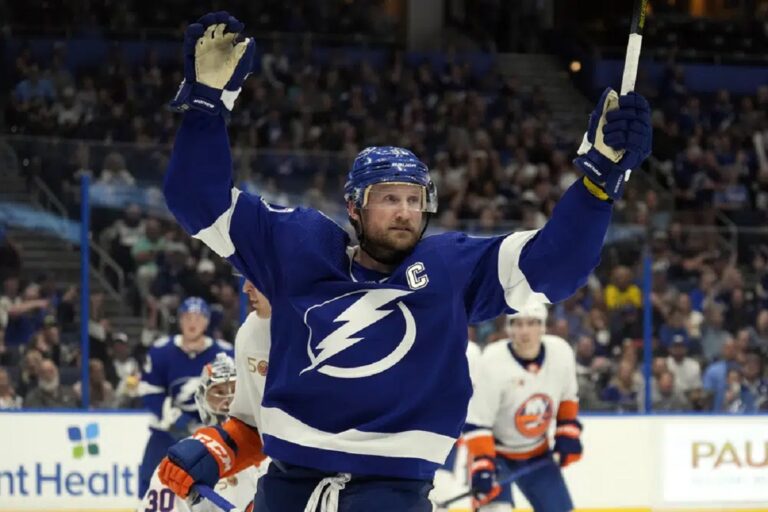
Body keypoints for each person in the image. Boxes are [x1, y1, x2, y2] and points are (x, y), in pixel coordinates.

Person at [158, 11, 651, 511]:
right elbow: (197, 199)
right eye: (389, 198)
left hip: (393, 493)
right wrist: (205, 105)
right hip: (289, 487)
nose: (405, 212)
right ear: (353, 206)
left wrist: (597, 184)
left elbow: (557, 265)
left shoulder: (452, 267)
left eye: (415, 200)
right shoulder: (297, 247)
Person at [463, 303, 582, 512]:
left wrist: (567, 434)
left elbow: (567, 398)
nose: (524, 331)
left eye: (531, 323)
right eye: (517, 324)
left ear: (542, 326)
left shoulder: (560, 353)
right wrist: (483, 464)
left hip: (538, 453)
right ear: (509, 328)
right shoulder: (493, 360)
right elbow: (477, 421)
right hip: (495, 455)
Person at [138, 297, 234, 498]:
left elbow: (234, 395)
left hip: (211, 434)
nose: (193, 322)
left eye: (199, 317)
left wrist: (213, 426)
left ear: (207, 322)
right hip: (166, 431)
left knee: (215, 487)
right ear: (180, 320)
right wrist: (175, 418)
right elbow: (150, 391)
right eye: (188, 317)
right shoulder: (161, 351)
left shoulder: (224, 354)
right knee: (150, 482)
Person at [140, 353, 261, 512]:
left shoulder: (275, 449)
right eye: (219, 392)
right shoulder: (184, 459)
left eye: (236, 391)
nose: (229, 401)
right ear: (202, 400)